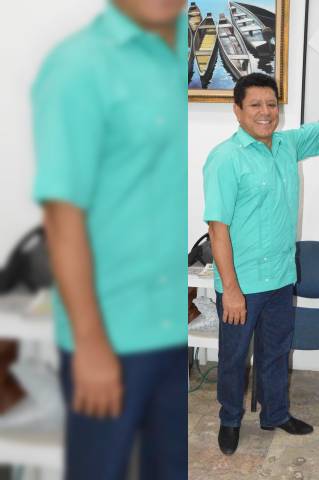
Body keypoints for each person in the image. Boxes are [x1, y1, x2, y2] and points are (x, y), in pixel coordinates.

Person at [32, 1, 188, 479]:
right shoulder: (80, 65)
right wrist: (90, 344)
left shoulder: (178, 52)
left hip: (171, 332)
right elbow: (62, 217)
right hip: (114, 333)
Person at [203, 72, 319, 455]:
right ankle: (230, 419)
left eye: (271, 104)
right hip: (242, 283)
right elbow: (218, 230)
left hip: (282, 277)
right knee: (234, 358)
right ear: (237, 110)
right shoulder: (225, 158)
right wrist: (230, 290)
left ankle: (275, 414)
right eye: (255, 105)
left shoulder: (286, 145)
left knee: (276, 351)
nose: (265, 112)